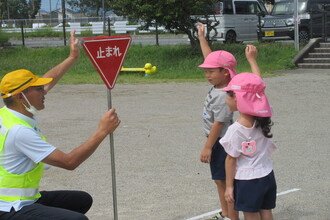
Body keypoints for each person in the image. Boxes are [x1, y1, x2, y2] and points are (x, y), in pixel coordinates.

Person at [0, 30, 121, 220]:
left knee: (82, 201)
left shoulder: (10, 113)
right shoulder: (18, 131)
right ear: (19, 96)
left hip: (21, 199)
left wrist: (72, 57)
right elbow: (69, 162)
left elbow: (49, 80)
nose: (44, 91)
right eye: (38, 89)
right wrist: (102, 131)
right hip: (12, 208)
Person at [197, 23, 261, 220]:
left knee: (224, 181)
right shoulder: (224, 82)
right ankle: (225, 213)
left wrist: (208, 146)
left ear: (224, 72)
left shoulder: (224, 94)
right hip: (218, 140)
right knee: (219, 180)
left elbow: (218, 123)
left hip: (220, 142)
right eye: (206, 71)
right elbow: (211, 59)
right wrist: (201, 37)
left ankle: (230, 216)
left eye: (211, 72)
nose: (207, 75)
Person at [220, 72, 277, 220]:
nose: (226, 100)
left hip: (247, 180)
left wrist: (229, 187)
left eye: (228, 95)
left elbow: (230, 160)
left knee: (251, 214)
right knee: (266, 211)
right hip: (267, 175)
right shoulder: (263, 118)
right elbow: (258, 89)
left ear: (238, 98)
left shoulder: (235, 130)